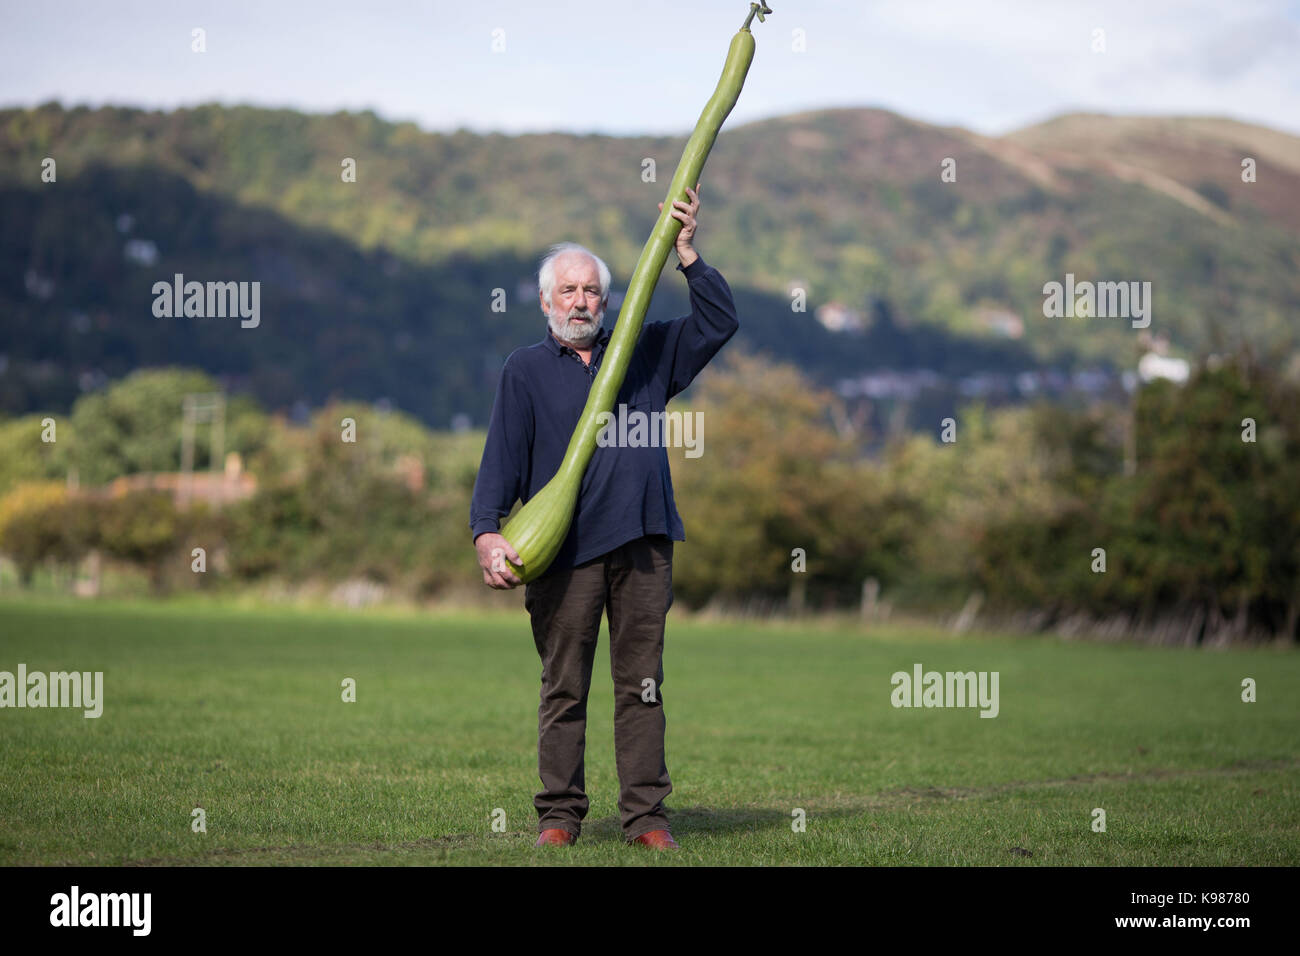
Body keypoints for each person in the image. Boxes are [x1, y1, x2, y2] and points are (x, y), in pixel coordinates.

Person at [469, 183, 739, 849]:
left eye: (591, 290)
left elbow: (718, 323)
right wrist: (486, 533)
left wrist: (687, 253)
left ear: (607, 298)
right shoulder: (525, 370)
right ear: (545, 302)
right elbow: (501, 459)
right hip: (561, 552)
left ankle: (646, 820)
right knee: (563, 688)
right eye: (569, 291)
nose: (582, 301)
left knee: (641, 688)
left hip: (645, 543)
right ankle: (559, 817)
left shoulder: (645, 354)